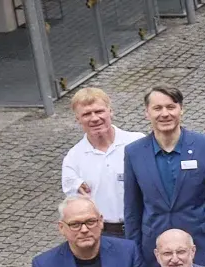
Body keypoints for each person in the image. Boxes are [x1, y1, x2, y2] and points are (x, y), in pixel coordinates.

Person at [125, 86, 205, 267]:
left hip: (204, 246)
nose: (165, 114)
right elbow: (132, 210)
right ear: (147, 113)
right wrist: (134, 257)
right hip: (155, 251)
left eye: (171, 107)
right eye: (157, 108)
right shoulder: (134, 153)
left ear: (181, 109)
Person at [61, 87, 144, 237]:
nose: (94, 118)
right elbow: (75, 205)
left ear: (110, 111)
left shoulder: (137, 142)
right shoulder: (73, 159)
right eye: (86, 114)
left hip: (143, 227)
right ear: (77, 119)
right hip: (104, 234)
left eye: (99, 111)